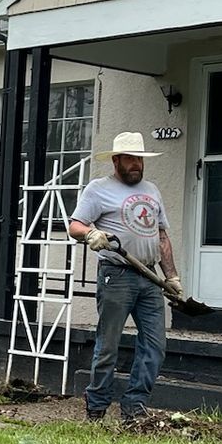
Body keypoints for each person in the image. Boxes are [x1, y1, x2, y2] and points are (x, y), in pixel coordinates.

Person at [66, 131, 185, 425]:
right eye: (130, 159)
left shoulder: (153, 190)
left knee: (155, 345)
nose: (136, 165)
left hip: (150, 277)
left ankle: (134, 408)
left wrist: (171, 277)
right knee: (108, 345)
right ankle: (96, 407)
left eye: (140, 160)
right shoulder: (98, 189)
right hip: (115, 275)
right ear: (116, 160)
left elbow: (161, 236)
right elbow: (75, 225)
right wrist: (91, 233)